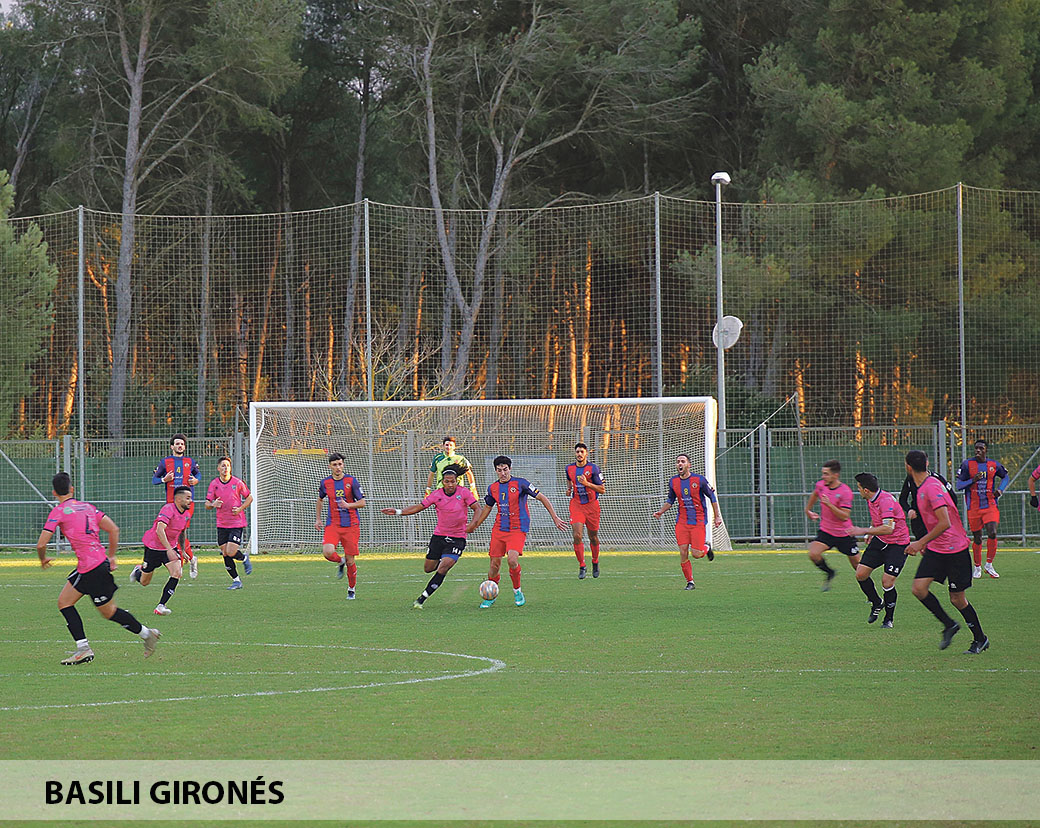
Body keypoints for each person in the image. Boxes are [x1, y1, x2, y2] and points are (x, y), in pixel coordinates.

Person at [36, 472, 161, 665]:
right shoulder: (88, 507)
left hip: (92, 569)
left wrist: (43, 559)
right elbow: (113, 529)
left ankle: (144, 635)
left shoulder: (58, 511)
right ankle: (87, 647)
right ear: (72, 489)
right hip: (94, 565)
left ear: (54, 493)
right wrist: (111, 556)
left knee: (107, 612)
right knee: (66, 603)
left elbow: (41, 544)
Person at [905, 449, 989, 654]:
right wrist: (926, 542)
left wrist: (920, 542)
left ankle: (980, 639)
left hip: (955, 549)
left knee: (957, 598)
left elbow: (945, 522)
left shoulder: (932, 487)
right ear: (926, 463)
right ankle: (949, 625)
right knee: (919, 589)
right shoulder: (921, 487)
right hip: (936, 548)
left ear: (908, 466)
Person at [466, 455, 569, 608]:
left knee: (512, 560)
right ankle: (490, 596)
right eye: (499, 470)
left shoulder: (521, 484)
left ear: (510, 469)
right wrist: (476, 525)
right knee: (494, 566)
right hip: (499, 529)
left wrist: (555, 517)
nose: (503, 473)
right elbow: (487, 508)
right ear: (496, 471)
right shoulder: (493, 488)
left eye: (505, 469)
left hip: (517, 528)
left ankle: (517, 591)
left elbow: (542, 498)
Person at [382, 465, 479, 608]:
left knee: (443, 567)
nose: (450, 484)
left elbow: (477, 508)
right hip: (439, 537)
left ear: (457, 481)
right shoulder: (436, 495)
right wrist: (398, 511)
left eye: (453, 481)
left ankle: (421, 599)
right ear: (442, 482)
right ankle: (442, 560)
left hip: (457, 538)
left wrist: (473, 524)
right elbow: (419, 507)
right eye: (447, 481)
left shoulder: (464, 492)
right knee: (428, 568)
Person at [652, 453, 722, 589]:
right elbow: (670, 500)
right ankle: (690, 582)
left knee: (696, 554)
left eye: (683, 461)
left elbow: (712, 497)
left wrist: (717, 516)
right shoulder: (673, 482)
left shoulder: (699, 480)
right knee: (683, 551)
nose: (680, 464)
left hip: (698, 521)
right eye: (678, 461)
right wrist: (660, 512)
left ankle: (706, 548)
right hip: (682, 521)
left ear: (689, 465)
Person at [849, 472, 910, 627]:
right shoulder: (872, 499)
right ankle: (877, 602)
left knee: (887, 582)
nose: (858, 491)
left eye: (859, 488)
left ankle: (888, 619)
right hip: (881, 540)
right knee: (861, 574)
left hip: (898, 544)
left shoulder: (885, 501)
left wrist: (863, 530)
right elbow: (878, 518)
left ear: (866, 490)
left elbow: (888, 528)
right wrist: (871, 530)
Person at [129, 485, 193, 615]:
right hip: (154, 547)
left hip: (171, 547)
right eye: (187, 498)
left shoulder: (186, 514)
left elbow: (182, 532)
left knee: (177, 573)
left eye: (190, 498)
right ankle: (138, 572)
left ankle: (161, 606)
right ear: (178, 499)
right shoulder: (168, 509)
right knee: (144, 582)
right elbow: (159, 530)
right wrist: (169, 549)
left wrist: (182, 550)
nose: (190, 501)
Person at [315, 452, 366, 599]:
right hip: (333, 524)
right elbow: (320, 500)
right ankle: (340, 561)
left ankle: (351, 589)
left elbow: (362, 502)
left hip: (351, 525)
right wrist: (318, 519)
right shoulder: (325, 483)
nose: (338, 467)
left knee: (351, 561)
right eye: (335, 465)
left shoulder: (351, 481)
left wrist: (348, 505)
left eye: (340, 464)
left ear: (343, 465)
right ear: (330, 466)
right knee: (327, 552)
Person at [956, 438, 1008, 579]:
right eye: (976, 448)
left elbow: (1005, 477)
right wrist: (972, 480)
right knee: (977, 538)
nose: (978, 451)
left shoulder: (993, 465)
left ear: (986, 450)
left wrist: (1000, 489)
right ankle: (977, 566)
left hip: (990, 505)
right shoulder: (967, 464)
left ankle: (989, 565)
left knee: (992, 533)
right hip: (973, 507)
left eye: (981, 448)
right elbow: (959, 485)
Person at [804, 459, 860, 591]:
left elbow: (844, 516)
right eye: (823, 473)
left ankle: (872, 595)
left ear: (836, 475)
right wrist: (808, 510)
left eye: (826, 474)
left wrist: (830, 505)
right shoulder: (821, 485)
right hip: (827, 531)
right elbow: (815, 494)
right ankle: (830, 572)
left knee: (859, 568)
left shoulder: (845, 491)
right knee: (813, 554)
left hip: (844, 534)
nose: (823, 477)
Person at [152, 433, 201, 579]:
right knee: (172, 533)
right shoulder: (165, 462)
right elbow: (154, 480)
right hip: (171, 504)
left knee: (180, 531)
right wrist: (164, 479)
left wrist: (196, 480)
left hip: (187, 504)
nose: (180, 446)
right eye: (177, 444)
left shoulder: (190, 461)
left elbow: (198, 475)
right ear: (172, 446)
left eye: (182, 444)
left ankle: (181, 562)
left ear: (184, 447)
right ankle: (190, 558)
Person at [205, 457, 254, 590]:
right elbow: (207, 504)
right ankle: (236, 581)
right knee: (225, 553)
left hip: (236, 522)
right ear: (218, 468)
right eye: (223, 465)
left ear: (230, 468)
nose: (225, 468)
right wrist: (213, 504)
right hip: (222, 523)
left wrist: (240, 508)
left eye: (227, 465)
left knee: (231, 551)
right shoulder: (214, 484)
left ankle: (244, 558)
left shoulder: (237, 482)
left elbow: (249, 497)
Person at [566, 442, 605, 579]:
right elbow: (569, 480)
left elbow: (602, 489)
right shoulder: (569, 468)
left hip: (592, 506)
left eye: (582, 452)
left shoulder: (593, 469)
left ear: (586, 453)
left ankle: (595, 561)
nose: (579, 454)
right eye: (577, 452)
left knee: (593, 537)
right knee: (577, 535)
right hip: (576, 505)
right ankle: (582, 565)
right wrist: (569, 489)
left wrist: (587, 483)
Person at [899, 461, 956, 541]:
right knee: (923, 543)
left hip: (936, 520)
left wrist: (944, 513)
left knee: (938, 542)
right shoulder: (910, 480)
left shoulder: (936, 478)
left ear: (927, 463)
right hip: (919, 520)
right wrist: (909, 510)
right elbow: (902, 499)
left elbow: (953, 497)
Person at [426, 436, 479, 500]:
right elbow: (431, 474)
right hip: (441, 490)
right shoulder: (437, 458)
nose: (448, 447)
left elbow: (469, 473)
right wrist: (428, 489)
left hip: (457, 491)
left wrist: (473, 488)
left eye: (451, 445)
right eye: (447, 445)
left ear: (454, 447)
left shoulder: (460, 458)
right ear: (443, 446)